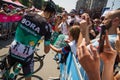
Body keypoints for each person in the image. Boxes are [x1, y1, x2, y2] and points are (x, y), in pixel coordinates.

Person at [8, 1, 56, 80]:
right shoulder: (47, 27)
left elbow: (17, 29)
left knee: (7, 69)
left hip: (13, 48)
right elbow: (46, 51)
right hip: (26, 56)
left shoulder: (27, 14)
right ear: (51, 13)